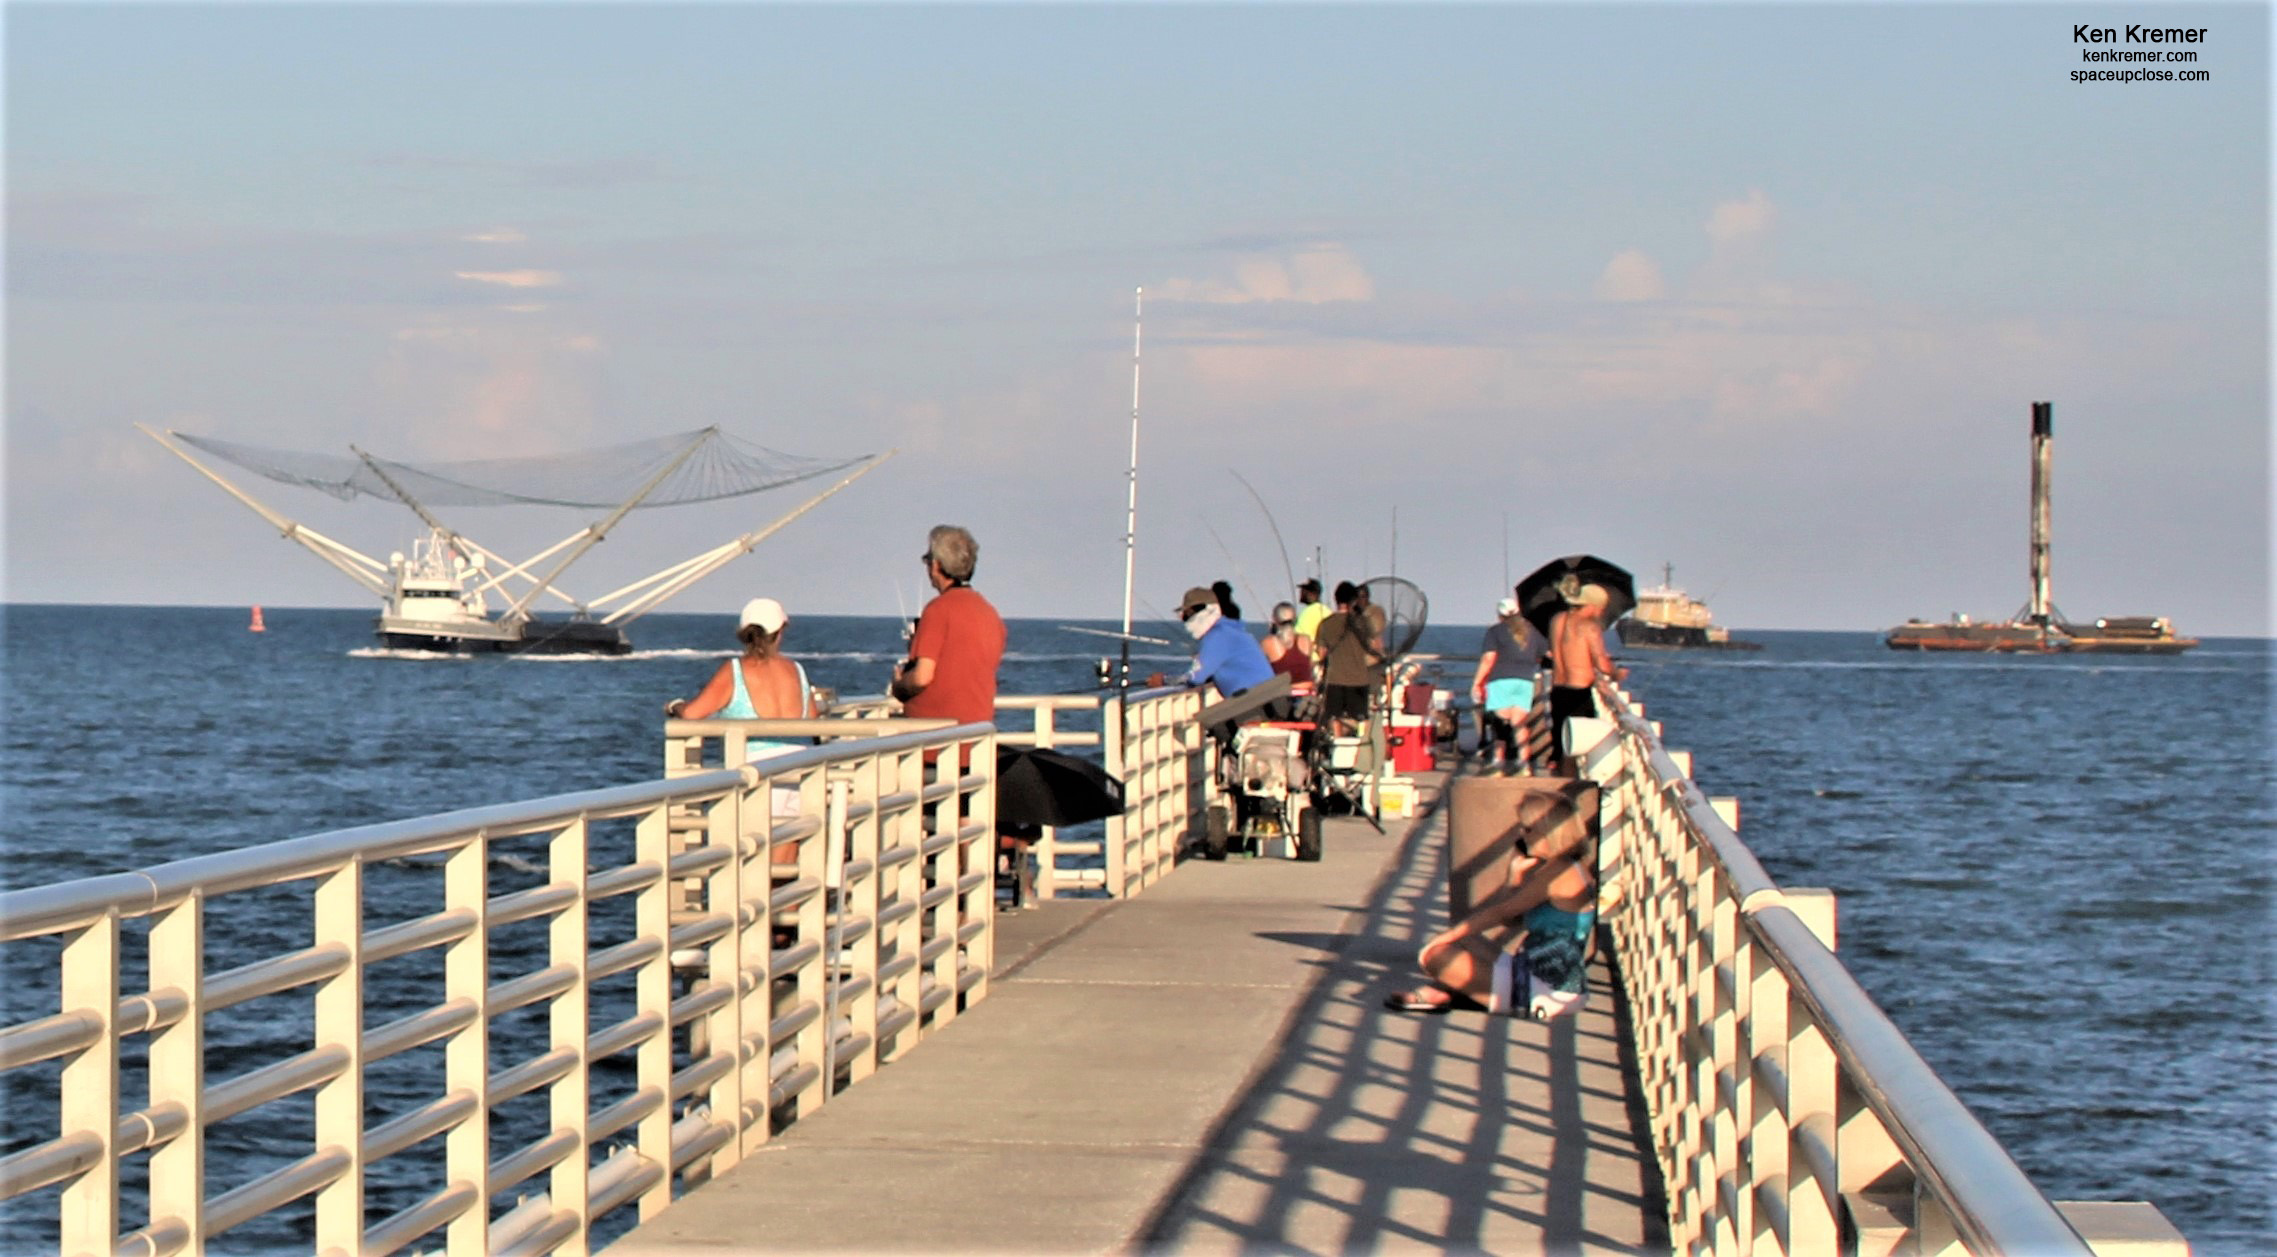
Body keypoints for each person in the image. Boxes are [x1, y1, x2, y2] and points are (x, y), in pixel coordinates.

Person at [1382, 789, 1596, 1019]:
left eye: (1528, 829)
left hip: (1541, 992)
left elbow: (1500, 913)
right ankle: (1454, 992)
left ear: (1548, 832)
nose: (1522, 836)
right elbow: (1510, 919)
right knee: (1466, 938)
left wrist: (1442, 938)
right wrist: (1513, 876)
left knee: (1434, 955)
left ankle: (1454, 992)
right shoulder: (1568, 866)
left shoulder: (1559, 873)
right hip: (1543, 977)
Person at [664, 596, 818, 827]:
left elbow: (693, 714)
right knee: (787, 845)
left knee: (751, 849)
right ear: (780, 631)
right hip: (798, 763)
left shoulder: (734, 671)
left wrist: (675, 706)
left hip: (754, 768)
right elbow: (813, 718)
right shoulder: (796, 670)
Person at [1547, 583, 1627, 774]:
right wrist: (1617, 673)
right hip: (1580, 693)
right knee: (1583, 744)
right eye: (1601, 608)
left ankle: (1560, 775)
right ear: (1592, 605)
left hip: (1558, 690)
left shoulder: (1557, 620)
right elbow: (1601, 663)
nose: (1602, 613)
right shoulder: (1590, 627)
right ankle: (1577, 786)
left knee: (1562, 744)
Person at [1471, 596, 1542, 773]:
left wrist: (1477, 682)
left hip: (1500, 680)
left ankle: (1498, 760)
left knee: (1500, 722)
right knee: (1520, 723)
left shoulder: (1495, 632)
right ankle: (1524, 762)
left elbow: (1488, 659)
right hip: (1525, 680)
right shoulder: (1531, 631)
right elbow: (1542, 653)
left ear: (1499, 614)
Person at [1312, 581, 1384, 735]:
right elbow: (1376, 646)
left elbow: (1321, 653)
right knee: (1360, 721)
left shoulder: (1326, 624)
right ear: (1354, 600)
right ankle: (1360, 751)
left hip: (1334, 680)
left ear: (1335, 599)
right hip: (1359, 680)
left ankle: (1338, 747)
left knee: (1334, 718)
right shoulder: (1362, 622)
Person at [1260, 601, 1315, 687]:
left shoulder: (1269, 642)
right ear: (1294, 619)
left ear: (1274, 620)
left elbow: (1260, 669)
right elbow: (1310, 667)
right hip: (1307, 689)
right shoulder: (1306, 640)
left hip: (1284, 692)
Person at [1292, 577, 1329, 643]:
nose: (1301, 593)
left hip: (1311, 653)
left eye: (1303, 590)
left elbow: (1297, 637)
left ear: (1311, 593)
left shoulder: (1308, 613)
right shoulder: (1327, 610)